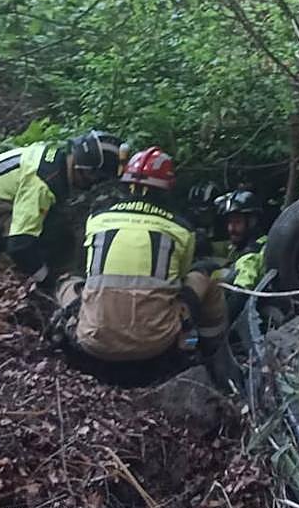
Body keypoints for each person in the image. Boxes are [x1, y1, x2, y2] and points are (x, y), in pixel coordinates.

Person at [51, 147, 231, 376]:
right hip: (157, 343)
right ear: (167, 188)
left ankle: (62, 335)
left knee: (67, 282)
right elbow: (181, 282)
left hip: (93, 342)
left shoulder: (98, 219)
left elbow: (89, 271)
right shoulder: (181, 229)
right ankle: (212, 352)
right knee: (207, 276)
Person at [0, 129, 126, 279]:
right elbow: (20, 244)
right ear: (87, 171)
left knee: (54, 228)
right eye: (97, 179)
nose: (94, 185)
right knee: (42, 236)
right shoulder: (43, 184)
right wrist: (44, 278)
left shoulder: (53, 161)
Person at [196, 189, 267, 295]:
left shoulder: (252, 254)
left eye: (237, 222)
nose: (231, 228)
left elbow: (241, 291)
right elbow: (220, 248)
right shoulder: (245, 244)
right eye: (230, 222)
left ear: (252, 222)